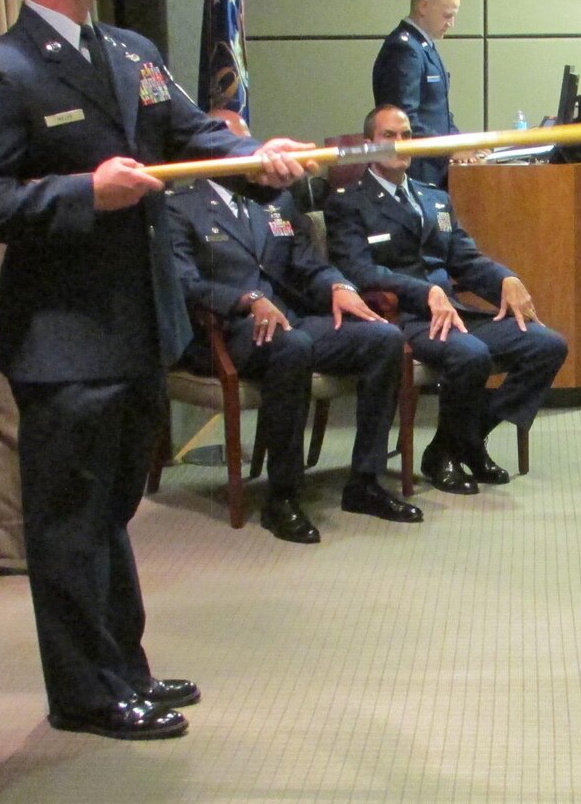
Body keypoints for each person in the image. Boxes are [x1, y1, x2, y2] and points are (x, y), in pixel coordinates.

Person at [0, 0, 311, 741]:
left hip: (143, 324)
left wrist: (260, 154)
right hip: (65, 338)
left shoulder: (133, 53)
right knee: (69, 525)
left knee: (111, 515)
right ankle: (84, 692)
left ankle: (124, 667)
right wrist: (84, 193)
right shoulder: (0, 71)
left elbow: (194, 134)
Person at [164, 109, 421, 544]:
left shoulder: (277, 202)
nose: (247, 157)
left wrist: (338, 286)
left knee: (383, 338)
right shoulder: (179, 208)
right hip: (224, 332)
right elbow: (182, 283)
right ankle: (283, 496)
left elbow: (308, 266)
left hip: (292, 323)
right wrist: (246, 299)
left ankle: (366, 481)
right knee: (292, 347)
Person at [324, 104, 569, 494]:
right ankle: (455, 449)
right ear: (369, 143)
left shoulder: (433, 197)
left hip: (453, 314)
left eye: (406, 136)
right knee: (469, 355)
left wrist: (506, 279)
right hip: (403, 318)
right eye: (389, 136)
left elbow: (465, 259)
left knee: (547, 345)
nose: (399, 143)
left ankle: (456, 442)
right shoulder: (348, 203)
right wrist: (425, 291)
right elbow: (360, 271)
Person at [371, 0, 461, 186]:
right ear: (423, 6)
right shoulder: (405, 49)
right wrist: (452, 148)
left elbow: (439, 111)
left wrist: (462, 142)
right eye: (447, 15)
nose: (451, 24)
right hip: (417, 170)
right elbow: (404, 119)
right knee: (432, 220)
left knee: (445, 219)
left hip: (434, 165)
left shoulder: (423, 47)